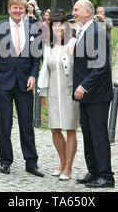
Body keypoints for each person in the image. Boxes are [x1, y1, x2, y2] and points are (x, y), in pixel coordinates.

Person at [0, 0, 44, 177]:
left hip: (25, 83)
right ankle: (5, 161)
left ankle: (31, 162)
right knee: (4, 123)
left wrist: (34, 75)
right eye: (15, 8)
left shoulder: (33, 29)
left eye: (21, 8)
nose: (18, 11)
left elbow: (36, 56)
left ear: (25, 10)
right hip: (3, 82)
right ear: (9, 9)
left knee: (27, 124)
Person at [72, 0, 114, 188]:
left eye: (76, 10)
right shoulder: (82, 31)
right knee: (88, 134)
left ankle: (106, 176)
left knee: (98, 135)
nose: (73, 13)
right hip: (86, 95)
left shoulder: (96, 31)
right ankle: (94, 171)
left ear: (87, 12)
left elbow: (101, 66)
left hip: (97, 94)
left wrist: (84, 86)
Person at [38, 13, 78, 181]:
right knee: (55, 128)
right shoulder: (48, 46)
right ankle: (62, 162)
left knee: (69, 128)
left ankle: (68, 167)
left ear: (66, 27)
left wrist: (73, 52)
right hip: (54, 91)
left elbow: (80, 67)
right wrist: (43, 92)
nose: (57, 28)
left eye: (60, 25)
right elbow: (44, 70)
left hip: (69, 91)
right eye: (54, 25)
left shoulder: (74, 43)